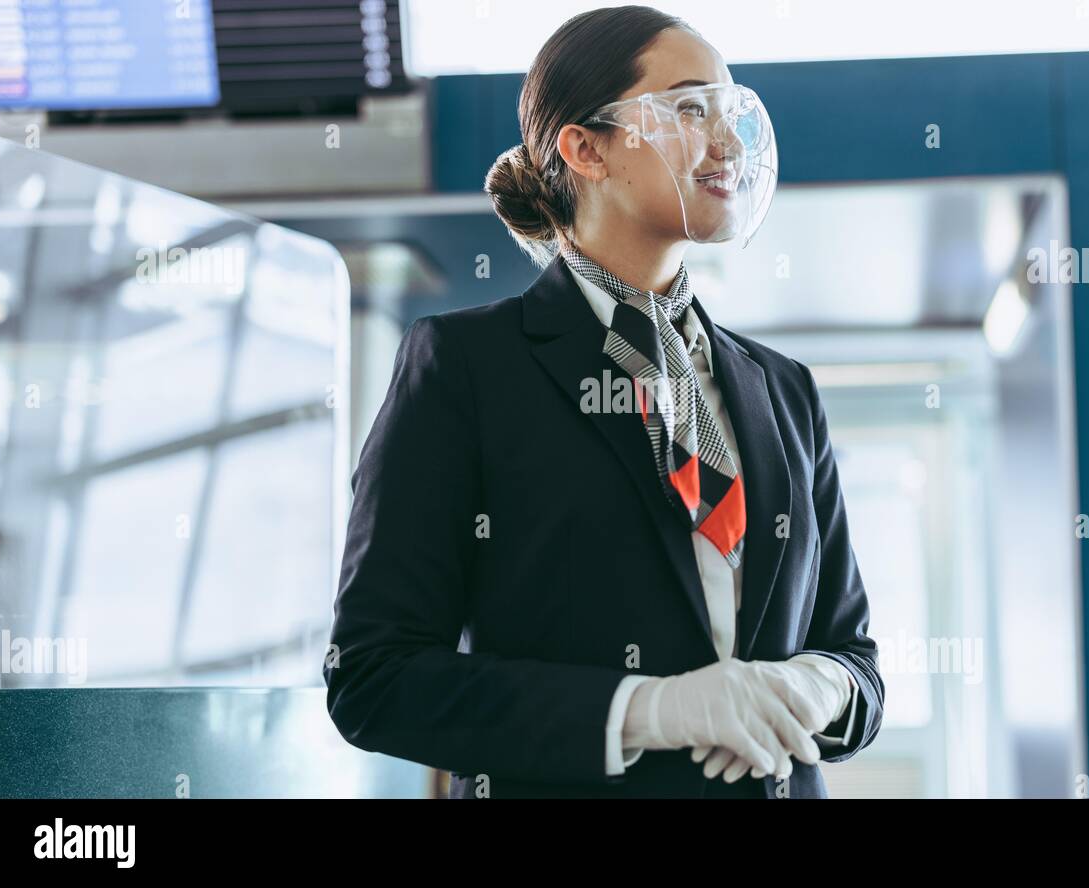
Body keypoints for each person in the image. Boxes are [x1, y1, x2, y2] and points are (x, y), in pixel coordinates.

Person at [323, 5, 882, 799]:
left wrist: (822, 689)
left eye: (730, 114)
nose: (728, 143)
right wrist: (651, 710)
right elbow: (373, 679)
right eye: (691, 110)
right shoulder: (467, 368)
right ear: (584, 149)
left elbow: (855, 656)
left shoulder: (781, 387)